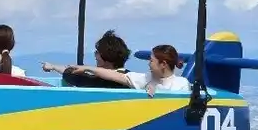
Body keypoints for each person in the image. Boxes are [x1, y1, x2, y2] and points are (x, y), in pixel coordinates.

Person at [51, 43, 191, 97]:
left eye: (151, 61)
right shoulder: (146, 78)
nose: (149, 64)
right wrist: (87, 68)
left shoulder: (181, 84)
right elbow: (115, 75)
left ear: (163, 64)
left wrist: (158, 93)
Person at [41, 29, 130, 76]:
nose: (95, 55)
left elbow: (70, 73)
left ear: (107, 56)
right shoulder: (129, 77)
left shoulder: (96, 82)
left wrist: (52, 67)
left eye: (97, 52)